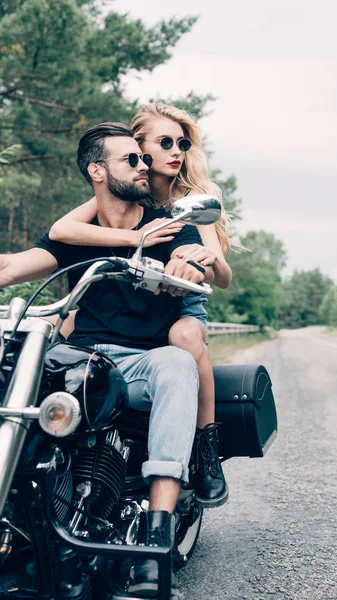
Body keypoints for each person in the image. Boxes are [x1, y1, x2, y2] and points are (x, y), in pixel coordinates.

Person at [0, 122, 214, 599]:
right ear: (98, 171)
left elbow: (196, 260)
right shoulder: (80, 234)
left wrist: (187, 264)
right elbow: (12, 266)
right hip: (85, 355)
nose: (144, 166)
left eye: (144, 159)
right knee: (16, 366)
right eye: (130, 160)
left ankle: (155, 540)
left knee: (177, 365)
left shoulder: (165, 225)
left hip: (146, 361)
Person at [48, 103, 232, 509]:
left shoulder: (190, 202)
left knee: (182, 337)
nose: (176, 151)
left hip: (184, 300)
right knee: (64, 325)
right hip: (132, 290)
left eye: (182, 143)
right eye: (165, 142)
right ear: (139, 149)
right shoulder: (127, 186)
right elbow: (61, 231)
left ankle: (205, 446)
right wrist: (135, 239)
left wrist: (202, 260)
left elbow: (221, 274)